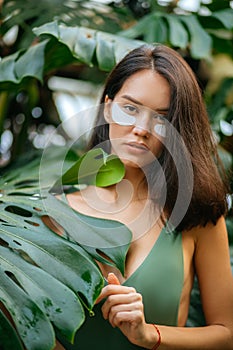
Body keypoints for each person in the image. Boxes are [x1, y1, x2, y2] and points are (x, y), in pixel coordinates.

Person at [57, 44, 233, 349]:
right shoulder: (49, 215)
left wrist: (150, 335)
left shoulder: (197, 216)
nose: (141, 129)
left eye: (161, 119)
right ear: (108, 107)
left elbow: (227, 333)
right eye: (130, 108)